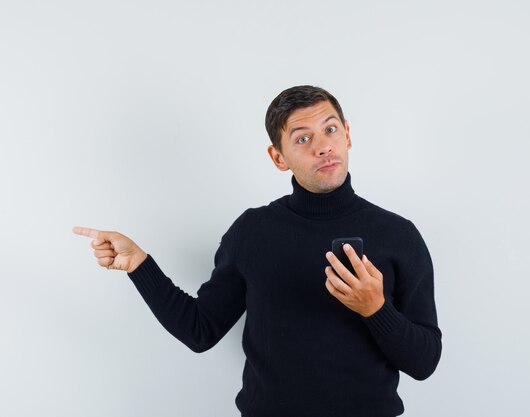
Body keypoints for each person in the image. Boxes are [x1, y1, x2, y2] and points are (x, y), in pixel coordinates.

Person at [73, 85, 442, 417]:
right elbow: (200, 330)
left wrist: (375, 309)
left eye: (330, 130)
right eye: (302, 139)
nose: (323, 146)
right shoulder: (253, 232)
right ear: (278, 157)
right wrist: (140, 265)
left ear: (347, 134)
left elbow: (424, 362)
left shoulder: (399, 235)